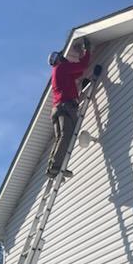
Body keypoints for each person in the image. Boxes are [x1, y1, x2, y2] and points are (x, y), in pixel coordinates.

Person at [46, 37, 90, 179]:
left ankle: (54, 166)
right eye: (61, 57)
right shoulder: (61, 68)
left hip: (57, 108)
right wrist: (87, 50)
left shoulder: (58, 72)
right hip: (66, 106)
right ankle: (55, 168)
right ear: (58, 59)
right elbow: (83, 66)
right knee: (66, 135)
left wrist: (80, 54)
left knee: (60, 138)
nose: (64, 58)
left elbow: (78, 73)